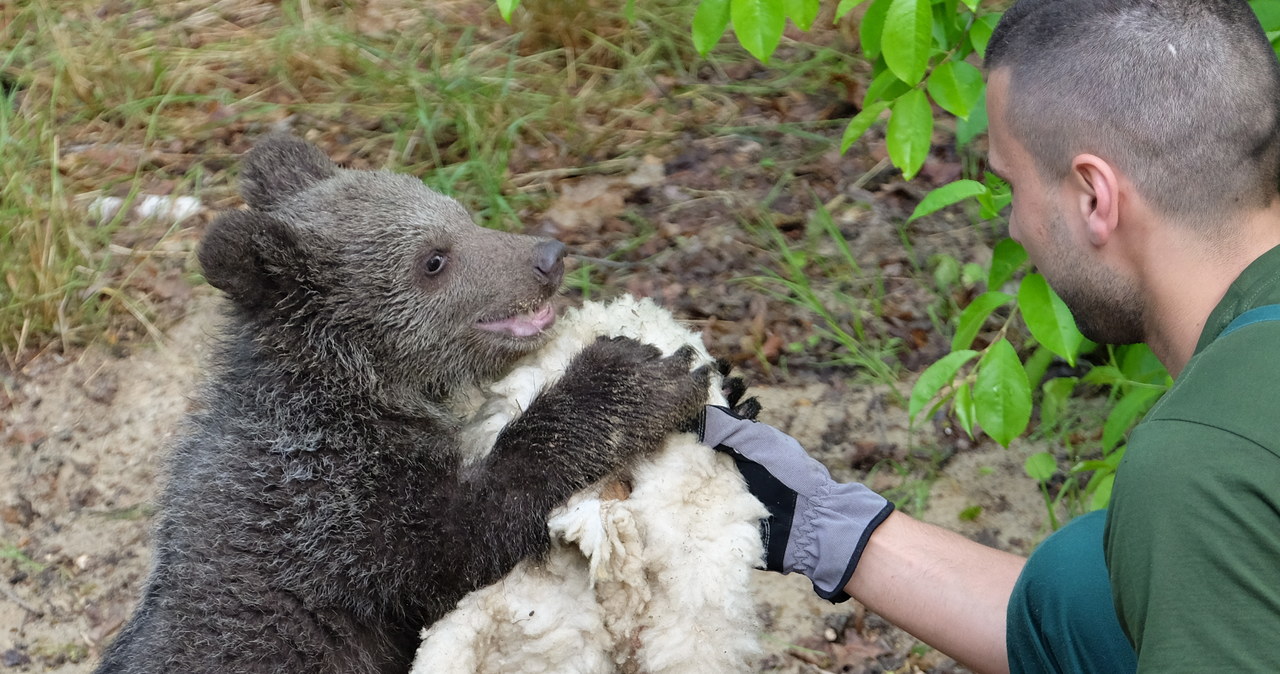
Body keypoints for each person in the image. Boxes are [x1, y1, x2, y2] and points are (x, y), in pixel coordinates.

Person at [697, 1, 1280, 672]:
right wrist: (821, 522)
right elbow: (1092, 627)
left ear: (1095, 197)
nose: (1014, 230)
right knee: (1082, 584)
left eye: (1012, 187)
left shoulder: (1202, 464)